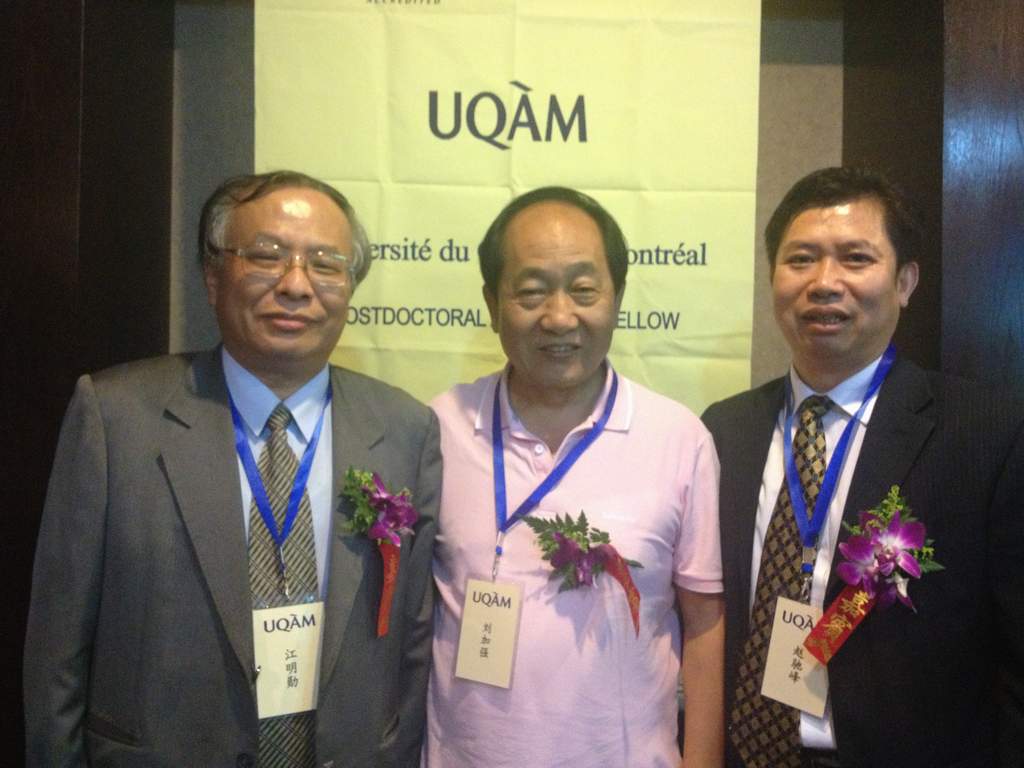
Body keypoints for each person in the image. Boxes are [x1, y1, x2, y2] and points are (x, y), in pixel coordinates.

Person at [24, 170, 441, 767]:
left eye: (326, 264)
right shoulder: (116, 418)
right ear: (213, 275)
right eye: (267, 256)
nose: (296, 285)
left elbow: (413, 642)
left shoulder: (404, 428)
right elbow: (58, 647)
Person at [702, 166, 1024, 767]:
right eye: (800, 260)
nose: (824, 283)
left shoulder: (988, 433)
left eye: (855, 259)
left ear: (905, 281)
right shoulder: (725, 430)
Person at [424, 186, 725, 767]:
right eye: (531, 291)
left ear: (617, 297)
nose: (559, 317)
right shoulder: (439, 428)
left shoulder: (678, 437)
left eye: (584, 290)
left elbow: (704, 622)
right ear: (492, 302)